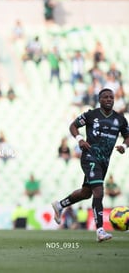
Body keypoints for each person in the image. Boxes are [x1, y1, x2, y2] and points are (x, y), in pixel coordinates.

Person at [52, 88, 129, 242]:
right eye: (105, 97)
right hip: (90, 157)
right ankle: (100, 230)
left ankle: (60, 205)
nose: (109, 99)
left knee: (86, 193)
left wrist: (124, 147)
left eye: (111, 97)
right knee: (98, 192)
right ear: (99, 100)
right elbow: (73, 126)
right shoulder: (90, 115)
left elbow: (128, 136)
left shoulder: (120, 119)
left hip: (104, 161)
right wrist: (80, 139)